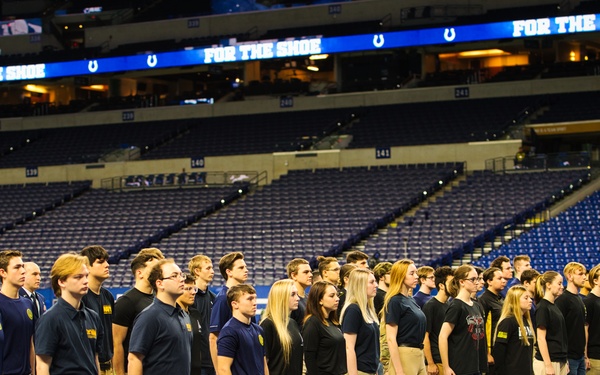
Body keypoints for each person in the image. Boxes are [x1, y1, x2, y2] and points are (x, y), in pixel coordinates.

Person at [35, 253, 103, 375]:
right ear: (61, 281)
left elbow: (95, 358)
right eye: (78, 277)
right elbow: (42, 365)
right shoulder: (50, 319)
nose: (85, 281)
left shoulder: (93, 317)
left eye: (86, 276)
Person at [128, 259, 193, 375]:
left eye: (181, 275)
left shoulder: (184, 315)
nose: (182, 279)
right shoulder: (149, 317)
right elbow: (134, 359)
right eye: (174, 276)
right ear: (160, 283)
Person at [112, 248, 164, 375]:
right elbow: (116, 343)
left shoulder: (157, 300)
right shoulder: (126, 301)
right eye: (154, 269)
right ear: (140, 273)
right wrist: (120, 373)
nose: (158, 274)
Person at [382, 259, 426, 375]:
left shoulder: (410, 300)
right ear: (401, 276)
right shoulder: (394, 301)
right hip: (405, 355)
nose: (416, 276)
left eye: (416, 273)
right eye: (412, 273)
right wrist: (399, 371)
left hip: (419, 354)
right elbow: (391, 339)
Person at [439, 264, 484, 375]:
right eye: (472, 279)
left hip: (476, 364)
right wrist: (446, 367)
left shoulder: (476, 305)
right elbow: (442, 336)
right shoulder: (456, 306)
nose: (476, 282)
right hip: (461, 366)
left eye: (477, 279)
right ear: (462, 282)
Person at [209, 252, 249, 371]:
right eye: (241, 267)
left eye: (245, 267)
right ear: (229, 272)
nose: (246, 270)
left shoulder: (245, 298)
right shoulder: (223, 299)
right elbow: (214, 337)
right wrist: (219, 371)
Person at [217, 284, 268, 375]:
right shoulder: (229, 331)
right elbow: (223, 369)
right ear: (235, 304)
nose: (255, 302)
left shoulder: (259, 330)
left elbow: (263, 364)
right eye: (249, 299)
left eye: (255, 298)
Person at [80, 245, 116, 375]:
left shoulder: (108, 296)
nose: (107, 265)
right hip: (89, 366)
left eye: (106, 261)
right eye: (100, 262)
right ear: (87, 266)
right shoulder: (81, 297)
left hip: (109, 365)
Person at [0, 249, 35, 375]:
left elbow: (31, 343)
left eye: (23, 267)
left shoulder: (27, 304)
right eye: (17, 267)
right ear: (3, 272)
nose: (23, 271)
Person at [340, 268, 380, 375]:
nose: (376, 285)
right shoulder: (353, 310)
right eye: (372, 282)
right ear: (360, 285)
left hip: (369, 370)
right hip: (359, 371)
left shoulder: (367, 309)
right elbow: (348, 347)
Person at [260, 279, 303, 375]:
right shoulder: (268, 325)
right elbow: (263, 363)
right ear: (281, 297)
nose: (298, 298)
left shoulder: (292, 323)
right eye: (293, 294)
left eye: (297, 294)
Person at [303, 281, 347, 375]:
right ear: (320, 300)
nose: (337, 299)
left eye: (337, 295)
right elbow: (310, 358)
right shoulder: (312, 323)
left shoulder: (333, 322)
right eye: (332, 296)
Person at [492, 285, 535, 375]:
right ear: (515, 300)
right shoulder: (507, 322)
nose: (530, 300)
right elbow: (499, 352)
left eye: (530, 298)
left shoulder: (525, 321)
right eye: (526, 298)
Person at [555, 262, 589, 375]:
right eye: (580, 274)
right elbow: (559, 330)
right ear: (569, 276)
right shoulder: (562, 300)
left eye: (584, 274)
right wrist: (564, 358)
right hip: (569, 357)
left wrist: (585, 355)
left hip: (580, 357)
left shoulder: (579, 299)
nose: (584, 277)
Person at [532, 271, 568, 375]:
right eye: (559, 283)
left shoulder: (554, 306)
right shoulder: (543, 307)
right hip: (548, 362)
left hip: (559, 359)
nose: (562, 287)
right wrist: (548, 365)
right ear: (548, 285)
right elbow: (541, 338)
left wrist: (565, 360)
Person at [423, 266, 454, 375]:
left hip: (448, 360)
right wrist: (430, 363)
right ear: (441, 285)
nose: (454, 286)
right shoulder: (430, 306)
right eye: (451, 282)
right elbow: (425, 336)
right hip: (437, 362)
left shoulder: (450, 305)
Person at [189, 254, 217, 375]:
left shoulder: (213, 297)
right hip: (194, 361)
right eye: (208, 268)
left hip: (211, 358)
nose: (212, 271)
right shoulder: (188, 298)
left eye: (212, 268)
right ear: (197, 271)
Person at [479, 267, 506, 374]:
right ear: (489, 281)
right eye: (499, 278)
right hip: (492, 349)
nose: (503, 281)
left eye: (503, 278)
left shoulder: (500, 299)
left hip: (502, 346)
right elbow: (481, 328)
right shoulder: (484, 300)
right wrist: (487, 353)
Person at [178, 274, 203, 375]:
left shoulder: (195, 314)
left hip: (196, 370)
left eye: (194, 289)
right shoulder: (172, 316)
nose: (193, 293)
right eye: (188, 289)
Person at [287, 258, 313, 329]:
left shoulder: (309, 298)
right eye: (306, 272)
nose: (310, 275)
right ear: (294, 276)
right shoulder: (289, 299)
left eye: (310, 272)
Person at [584, 264, 600, 375]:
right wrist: (585, 356)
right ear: (595, 280)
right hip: (594, 357)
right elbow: (584, 329)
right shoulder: (589, 301)